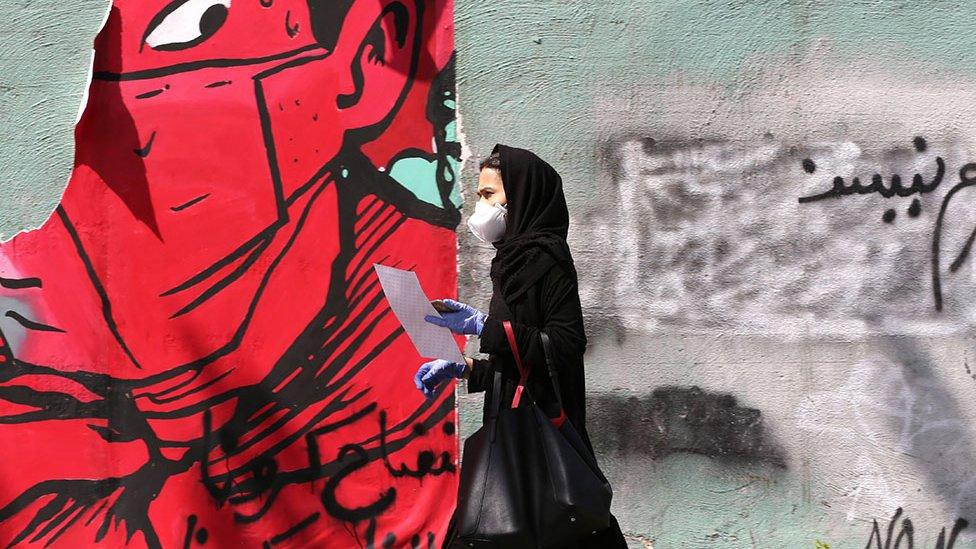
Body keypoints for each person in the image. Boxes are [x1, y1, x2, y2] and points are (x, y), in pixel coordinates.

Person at [415, 144, 628, 548]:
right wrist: (465, 368)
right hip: (513, 428)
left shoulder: (549, 260)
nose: (480, 205)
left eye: (488, 195)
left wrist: (484, 326)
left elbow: (565, 345)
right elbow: (516, 360)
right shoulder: (510, 261)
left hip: (541, 429)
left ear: (521, 196)